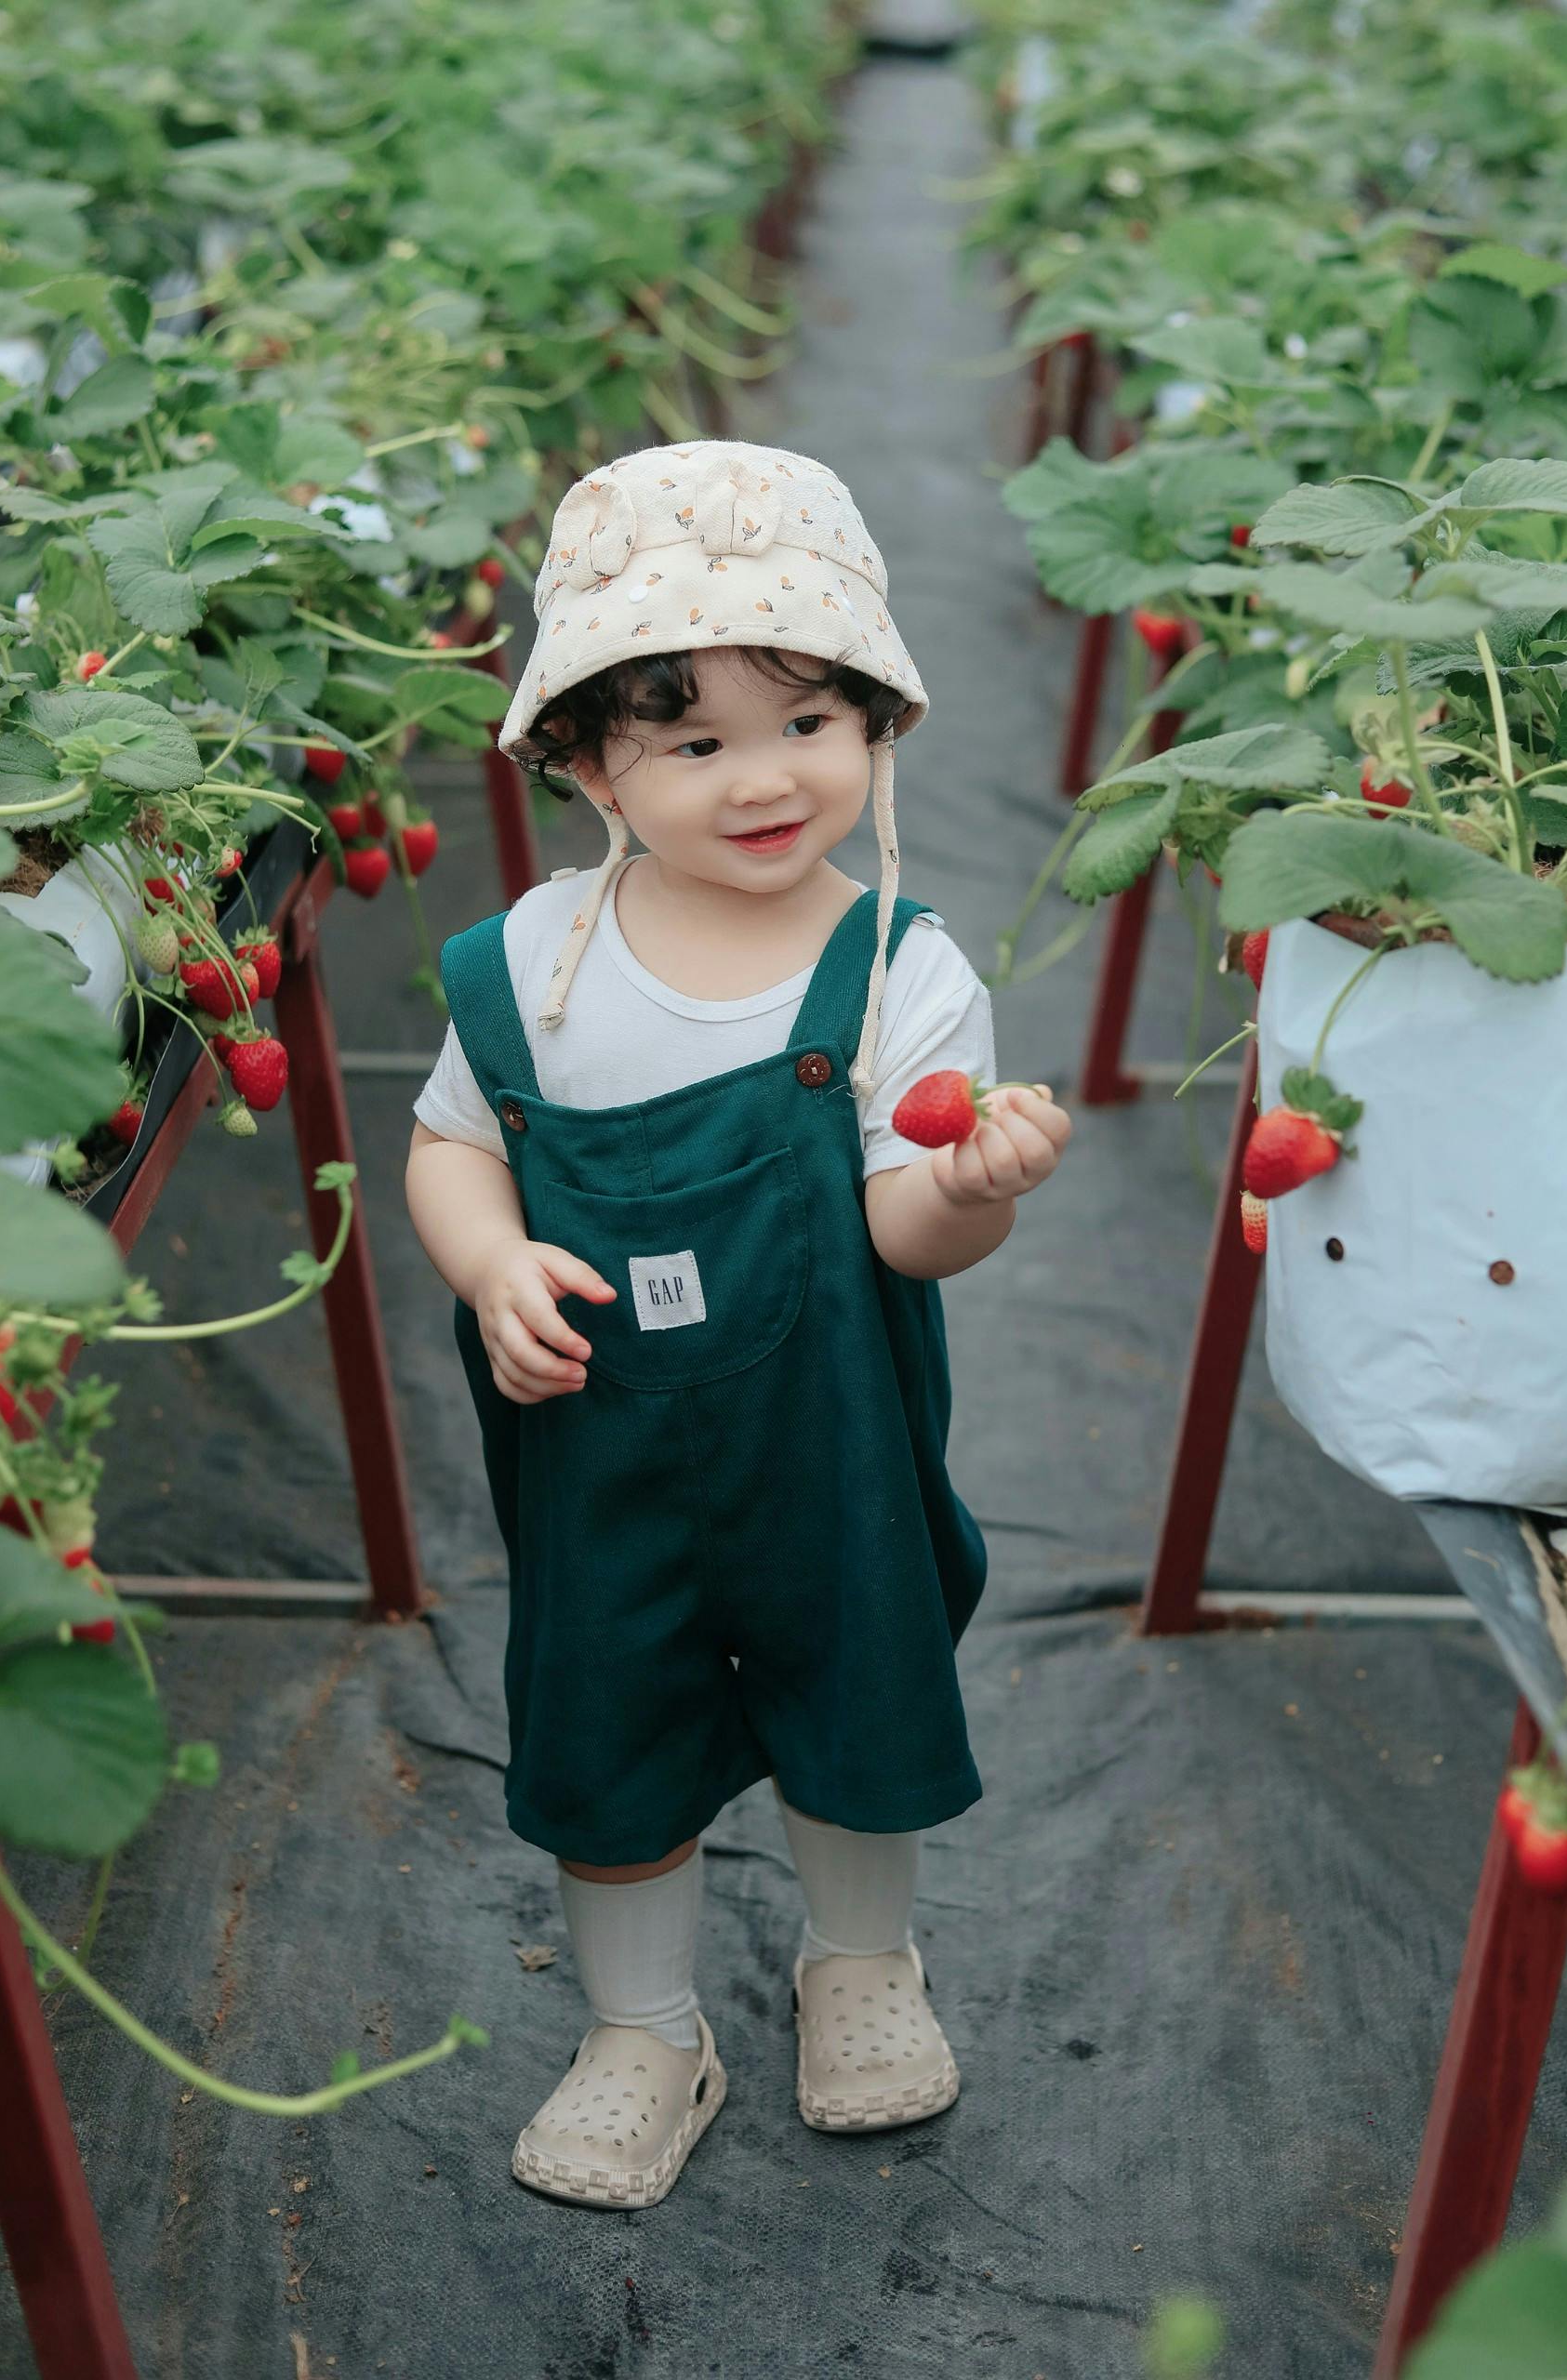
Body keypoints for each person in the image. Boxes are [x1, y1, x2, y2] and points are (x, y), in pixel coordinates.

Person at [405, 438, 1071, 2211]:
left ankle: (860, 1966)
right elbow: (450, 1148)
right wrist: (488, 1265)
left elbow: (903, 1235)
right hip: (597, 1457)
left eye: (807, 724)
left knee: (853, 1691)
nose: (763, 781)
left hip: (823, 1450)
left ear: (875, 724)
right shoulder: (533, 965)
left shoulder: (899, 976)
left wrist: (978, 1184)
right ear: (582, 761)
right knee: (609, 1727)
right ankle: (641, 2029)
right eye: (690, 741)